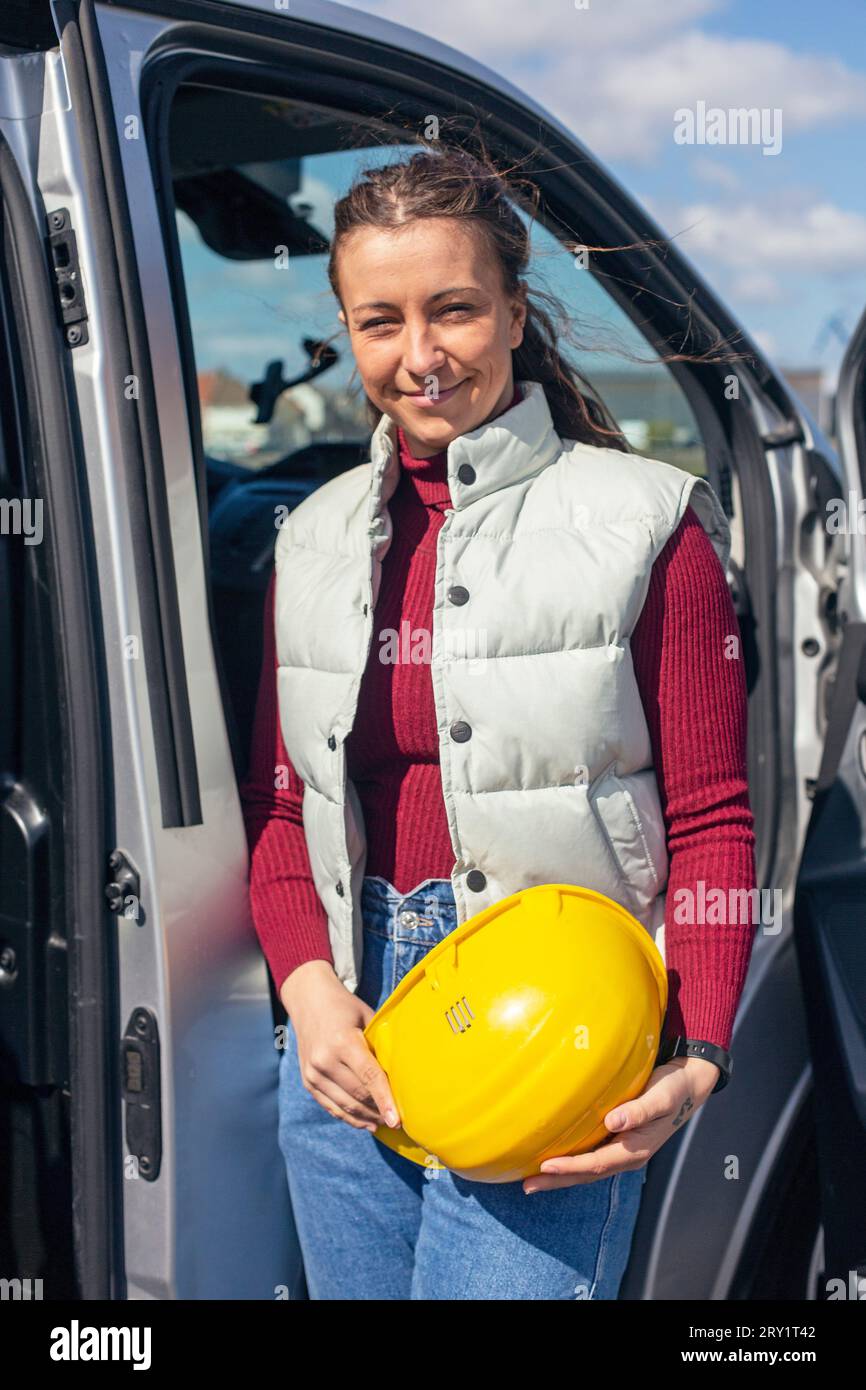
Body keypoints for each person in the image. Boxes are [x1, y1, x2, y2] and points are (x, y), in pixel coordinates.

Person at [240, 145, 757, 1300]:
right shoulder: (309, 537)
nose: (418, 357)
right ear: (345, 329)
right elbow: (284, 809)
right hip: (347, 1033)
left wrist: (700, 1050)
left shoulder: (644, 522)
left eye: (454, 310)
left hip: (551, 1040)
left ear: (514, 313)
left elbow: (712, 814)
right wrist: (307, 989)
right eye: (380, 321)